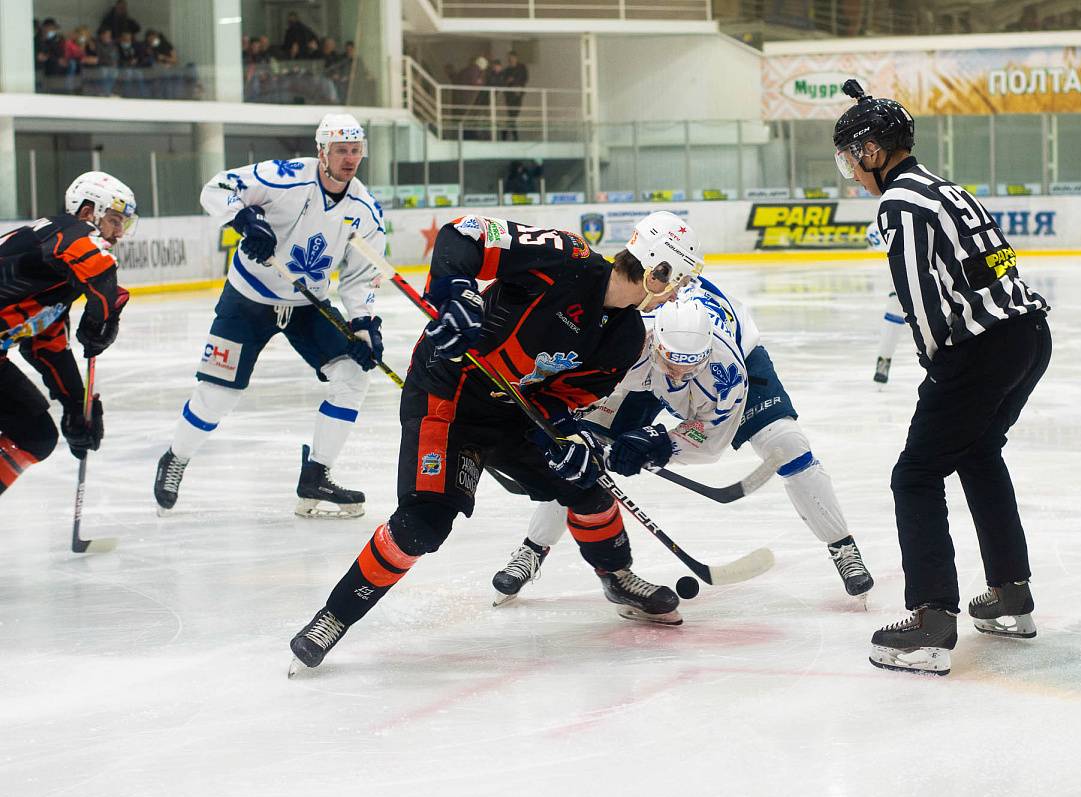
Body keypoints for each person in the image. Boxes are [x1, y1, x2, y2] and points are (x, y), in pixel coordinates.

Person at [287, 211, 703, 674]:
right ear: (656, 271)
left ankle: (618, 576)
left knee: (586, 484)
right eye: (677, 279)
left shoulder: (627, 338)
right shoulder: (565, 258)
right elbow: (462, 235)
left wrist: (566, 437)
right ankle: (333, 617)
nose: (679, 291)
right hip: (448, 392)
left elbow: (565, 400)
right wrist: (456, 293)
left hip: (514, 411)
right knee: (423, 523)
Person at [833, 80, 1052, 676]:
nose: (849, 170)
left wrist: (940, 371)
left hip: (981, 349)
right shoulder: (944, 188)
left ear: (873, 150)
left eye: (850, 157)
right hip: (1029, 336)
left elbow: (920, 299)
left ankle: (931, 620)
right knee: (979, 452)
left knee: (916, 473)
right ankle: (1010, 595)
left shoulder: (898, 205)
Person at [491, 276, 875, 607]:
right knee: (578, 459)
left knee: (789, 445)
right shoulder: (625, 343)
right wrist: (571, 431)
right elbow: (569, 400)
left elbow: (710, 440)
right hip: (639, 373)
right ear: (656, 340)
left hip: (731, 363)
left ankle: (843, 547)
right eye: (674, 361)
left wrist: (659, 442)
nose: (680, 372)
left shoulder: (724, 368)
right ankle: (533, 548)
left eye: (690, 364)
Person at [152, 114, 386, 519]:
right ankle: (175, 457)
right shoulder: (285, 177)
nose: (349, 159)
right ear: (322, 151)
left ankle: (317, 475)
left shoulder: (365, 210)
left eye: (355, 151)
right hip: (247, 300)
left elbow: (360, 276)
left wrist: (364, 325)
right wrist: (244, 219)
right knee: (218, 395)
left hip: (306, 306)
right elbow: (219, 187)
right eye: (341, 151)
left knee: (352, 376)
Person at [1, 172, 137, 496]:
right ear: (89, 212)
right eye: (115, 220)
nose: (119, 233)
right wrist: (104, 311)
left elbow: (45, 346)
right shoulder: (67, 231)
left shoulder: (56, 280)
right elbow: (101, 270)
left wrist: (77, 404)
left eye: (125, 225)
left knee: (36, 436)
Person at [866, 221, 904, 384]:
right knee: (894, 317)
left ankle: (884, 360)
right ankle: (884, 360)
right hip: (902, 275)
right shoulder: (883, 223)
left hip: (924, 273)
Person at [501, 51, 528, 141]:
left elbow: (525, 78)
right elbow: (503, 82)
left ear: (516, 58)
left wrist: (516, 82)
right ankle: (513, 136)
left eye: (512, 57)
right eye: (510, 58)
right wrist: (508, 81)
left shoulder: (522, 67)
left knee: (513, 115)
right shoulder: (506, 70)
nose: (511, 60)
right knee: (512, 115)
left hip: (518, 94)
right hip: (509, 95)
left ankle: (504, 132)